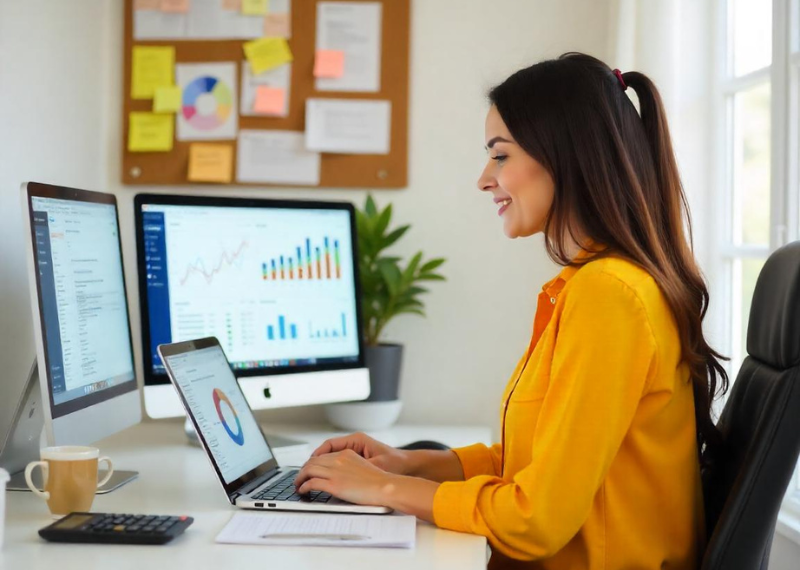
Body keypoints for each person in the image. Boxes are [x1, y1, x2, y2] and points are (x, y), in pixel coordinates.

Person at [294, 52, 728, 570]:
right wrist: (408, 463)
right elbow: (540, 466)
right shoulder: (589, 287)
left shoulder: (609, 296)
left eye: (500, 156)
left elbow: (536, 519)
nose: (484, 178)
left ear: (565, 155)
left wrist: (387, 487)